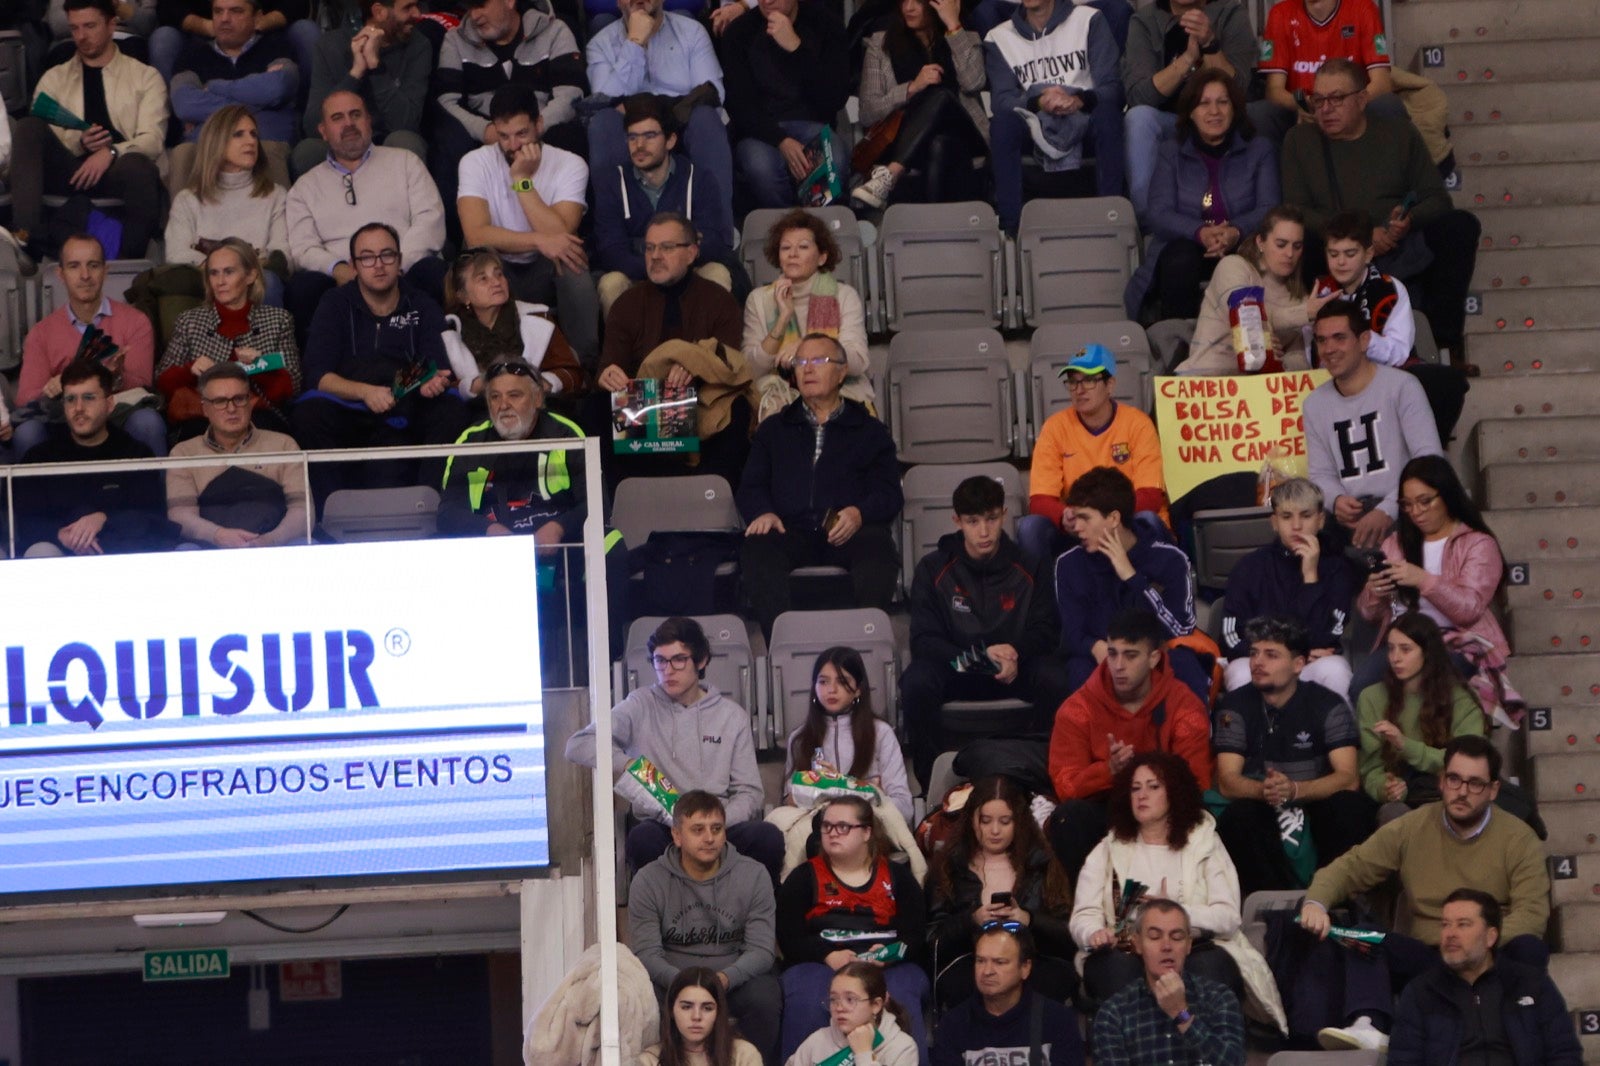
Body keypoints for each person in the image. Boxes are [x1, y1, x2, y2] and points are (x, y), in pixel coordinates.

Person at [1299, 737, 1552, 1048]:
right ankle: (1369, 1025)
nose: (1462, 791)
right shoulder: (1412, 826)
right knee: (1364, 938)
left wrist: (1479, 947)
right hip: (1431, 956)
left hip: (1491, 957)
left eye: (1475, 783)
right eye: (1455, 779)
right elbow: (1351, 867)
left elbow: (1532, 914)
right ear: (1441, 781)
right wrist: (1315, 902)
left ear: (1493, 790)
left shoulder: (1519, 839)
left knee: (1529, 949)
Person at [1282, 59, 1481, 365]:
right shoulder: (1300, 141)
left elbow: (1437, 198)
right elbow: (1295, 211)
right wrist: (1362, 235)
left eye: (1337, 98)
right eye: (1318, 99)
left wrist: (1407, 220)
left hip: (1399, 243)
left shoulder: (1399, 134)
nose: (1325, 108)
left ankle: (1441, 342)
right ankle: (1321, 347)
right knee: (1297, 238)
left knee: (1460, 226)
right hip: (1336, 250)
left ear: (1362, 99)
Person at [1071, 753, 1286, 1031]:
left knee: (1211, 969)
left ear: (1174, 791)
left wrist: (1175, 914)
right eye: (1135, 788)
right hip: (1126, 950)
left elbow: (1228, 917)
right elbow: (1083, 914)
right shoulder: (1109, 847)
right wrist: (1093, 933)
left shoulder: (1204, 842)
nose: (1142, 795)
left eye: (1153, 786)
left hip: (1195, 948)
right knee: (1116, 971)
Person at [438, 360, 624, 677]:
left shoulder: (567, 433)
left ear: (537, 399)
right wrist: (488, 530)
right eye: (495, 397)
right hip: (493, 554)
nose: (504, 405)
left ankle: (604, 671)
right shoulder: (471, 441)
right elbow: (447, 514)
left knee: (612, 547)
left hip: (561, 548)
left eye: (514, 395)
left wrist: (558, 527)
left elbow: (598, 503)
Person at [565, 617, 784, 880]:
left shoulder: (731, 716)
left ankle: (752, 916)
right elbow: (578, 744)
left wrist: (711, 826)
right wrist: (627, 764)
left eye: (678, 660)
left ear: (701, 661)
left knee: (767, 838)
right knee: (642, 839)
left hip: (716, 822)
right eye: (660, 661)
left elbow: (749, 792)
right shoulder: (640, 704)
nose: (668, 670)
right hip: (663, 823)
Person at [900, 474, 1072, 789]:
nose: (984, 531)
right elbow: (925, 641)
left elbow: (1046, 631)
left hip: (1013, 668)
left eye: (991, 519)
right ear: (957, 521)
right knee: (916, 681)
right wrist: (978, 658)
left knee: (1055, 677)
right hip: (959, 667)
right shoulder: (932, 568)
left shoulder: (1031, 565)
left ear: (1004, 514)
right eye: (973, 521)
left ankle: (1044, 778)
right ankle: (933, 785)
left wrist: (1015, 653)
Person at [736, 334, 902, 639]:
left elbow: (890, 494)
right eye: (801, 362)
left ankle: (865, 641)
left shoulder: (869, 431)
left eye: (818, 361)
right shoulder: (774, 429)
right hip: (790, 529)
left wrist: (859, 513)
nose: (807, 369)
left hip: (846, 530)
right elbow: (751, 485)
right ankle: (783, 644)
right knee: (757, 548)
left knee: (878, 549)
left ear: (841, 372)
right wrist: (763, 512)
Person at [290, 222, 467, 504]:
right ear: (354, 264)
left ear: (399, 261)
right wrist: (366, 392)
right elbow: (318, 374)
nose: (379, 265)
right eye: (367, 257)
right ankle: (332, 511)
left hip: (410, 402)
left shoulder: (421, 304)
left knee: (451, 409)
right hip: (351, 406)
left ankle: (432, 506)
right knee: (309, 414)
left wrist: (422, 385)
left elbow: (436, 364)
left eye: (387, 255)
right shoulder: (334, 303)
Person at [1046, 608, 1213, 885]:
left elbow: (1197, 784)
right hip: (1103, 809)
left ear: (1154, 658)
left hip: (1166, 810)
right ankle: (1084, 909)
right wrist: (1109, 771)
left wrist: (1148, 780)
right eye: (1113, 653)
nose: (1118, 665)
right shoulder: (1077, 708)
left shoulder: (1185, 707)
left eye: (1131, 655)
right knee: (1069, 817)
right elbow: (1065, 785)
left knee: (1201, 817)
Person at [1213, 615, 1376, 896]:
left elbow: (1348, 778)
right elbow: (1228, 780)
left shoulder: (1328, 704)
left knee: (1351, 808)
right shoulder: (1234, 706)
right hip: (1261, 800)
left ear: (1298, 664)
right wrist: (1265, 789)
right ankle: (1269, 903)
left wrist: (1296, 790)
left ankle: (1336, 900)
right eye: (1253, 653)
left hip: (1314, 797)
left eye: (1271, 655)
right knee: (1239, 815)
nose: (1257, 662)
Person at [595, 212, 753, 488]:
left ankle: (714, 498)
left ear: (691, 253)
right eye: (650, 248)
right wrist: (609, 373)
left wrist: (695, 365)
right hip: (642, 404)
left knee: (738, 407)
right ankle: (622, 502)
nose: (655, 256)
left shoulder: (718, 300)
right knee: (597, 407)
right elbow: (611, 362)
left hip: (701, 399)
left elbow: (729, 361)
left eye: (667, 247)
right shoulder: (628, 303)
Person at [1353, 454, 1512, 720]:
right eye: (1407, 505)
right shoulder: (1395, 543)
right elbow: (1369, 614)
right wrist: (1375, 591)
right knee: (1361, 686)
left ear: (1447, 496)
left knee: (1431, 686)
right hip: (1402, 642)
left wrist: (1423, 580)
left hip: (1458, 643)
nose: (1416, 512)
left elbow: (1469, 610)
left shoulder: (1477, 543)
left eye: (1425, 501)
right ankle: (1384, 758)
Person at [285, 89, 448, 346]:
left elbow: (430, 219)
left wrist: (395, 264)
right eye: (337, 117)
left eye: (355, 114)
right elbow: (302, 248)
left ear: (368, 120)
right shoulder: (305, 187)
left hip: (405, 267)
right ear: (323, 131)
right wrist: (338, 269)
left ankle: (438, 367)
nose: (348, 123)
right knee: (304, 287)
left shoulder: (405, 162)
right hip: (342, 277)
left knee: (434, 272)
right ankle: (321, 375)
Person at [629, 793, 782, 1065]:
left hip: (732, 976)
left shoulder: (754, 875)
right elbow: (647, 952)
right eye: (697, 830)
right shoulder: (649, 879)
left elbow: (761, 950)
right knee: (638, 995)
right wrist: (683, 985)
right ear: (677, 836)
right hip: (672, 978)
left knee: (766, 997)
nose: (709, 838)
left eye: (716, 829)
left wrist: (723, 979)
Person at [10, 0, 167, 260]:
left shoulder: (145, 77)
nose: (81, 36)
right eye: (75, 28)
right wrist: (79, 142)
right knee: (28, 127)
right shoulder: (54, 78)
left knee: (140, 167)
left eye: (90, 26)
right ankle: (28, 238)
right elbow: (44, 132)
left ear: (111, 24)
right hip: (69, 168)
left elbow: (153, 139)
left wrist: (112, 152)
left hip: (118, 172)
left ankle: (127, 266)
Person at [776, 797, 929, 1062]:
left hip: (888, 963)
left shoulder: (898, 876)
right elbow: (789, 936)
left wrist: (890, 953)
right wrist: (827, 955)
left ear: (867, 832)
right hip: (821, 962)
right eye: (827, 826)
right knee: (809, 998)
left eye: (844, 826)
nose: (833, 833)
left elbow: (916, 934)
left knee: (901, 994)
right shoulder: (803, 877)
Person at [457, 83, 600, 365]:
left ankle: (585, 365)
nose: (512, 146)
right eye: (504, 136)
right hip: (498, 263)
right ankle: (485, 364)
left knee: (571, 257)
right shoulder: (475, 162)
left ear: (539, 124)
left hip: (546, 265)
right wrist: (538, 240)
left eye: (522, 134)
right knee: (477, 259)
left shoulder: (570, 164)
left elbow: (562, 234)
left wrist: (522, 181)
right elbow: (476, 235)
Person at [1127, 68, 1279, 322]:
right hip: (1187, 244)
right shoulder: (1170, 152)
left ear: (1235, 108)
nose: (1214, 112)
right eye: (1204, 103)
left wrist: (1235, 231)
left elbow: (1269, 207)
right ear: (1190, 112)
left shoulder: (1259, 149)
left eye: (1222, 102)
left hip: (1244, 244)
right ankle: (1177, 345)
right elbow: (1159, 213)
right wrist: (1201, 232)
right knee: (1179, 260)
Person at [1306, 209, 1470, 440]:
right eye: (1333, 254)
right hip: (1334, 385)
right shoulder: (1318, 295)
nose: (1341, 262)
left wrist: (1361, 340)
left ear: (1368, 253)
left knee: (1446, 383)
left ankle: (1424, 458)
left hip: (1383, 380)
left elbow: (1399, 352)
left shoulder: (1389, 289)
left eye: (1350, 253)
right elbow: (1309, 356)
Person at [925, 775, 1077, 1009]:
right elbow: (931, 940)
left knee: (1045, 982)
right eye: (985, 821)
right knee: (967, 984)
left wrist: (1028, 920)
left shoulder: (1042, 863)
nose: (995, 831)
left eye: (1005, 822)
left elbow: (1069, 936)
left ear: (1019, 822)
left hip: (1033, 962)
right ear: (971, 820)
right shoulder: (949, 866)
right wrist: (972, 921)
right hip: (970, 962)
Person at [1302, 298, 1443, 549]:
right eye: (1321, 340)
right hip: (1350, 518)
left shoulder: (1402, 387)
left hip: (1406, 510)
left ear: (1364, 340)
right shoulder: (1314, 404)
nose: (1329, 349)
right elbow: (1320, 473)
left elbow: (1428, 460)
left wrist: (1388, 510)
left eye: (1339, 338)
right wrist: (1336, 501)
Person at [1053, 468, 1205, 699]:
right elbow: (1072, 633)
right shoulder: (1069, 564)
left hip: (1153, 656)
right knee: (1078, 668)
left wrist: (1133, 578)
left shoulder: (1170, 560)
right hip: (1099, 659)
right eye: (1075, 518)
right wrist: (1096, 647)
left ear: (1114, 518)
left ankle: (1189, 735)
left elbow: (1180, 630)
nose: (1077, 528)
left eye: (1085, 518)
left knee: (1184, 663)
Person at [12, 233, 165, 460]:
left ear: (105, 270)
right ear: (60, 274)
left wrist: (117, 376)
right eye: (74, 267)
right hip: (64, 417)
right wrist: (53, 388)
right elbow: (26, 398)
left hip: (115, 413)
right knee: (27, 432)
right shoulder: (41, 332)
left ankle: (156, 495)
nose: (85, 275)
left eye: (93, 265)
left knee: (147, 422)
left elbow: (142, 386)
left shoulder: (135, 321)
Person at [1386, 889, 1583, 1066]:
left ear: (1490, 936)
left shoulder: (1530, 984)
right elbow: (1403, 1060)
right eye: (1445, 925)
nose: (1450, 934)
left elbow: (1564, 1053)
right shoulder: (1421, 992)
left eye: (1463, 924)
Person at [1018, 345, 1168, 566]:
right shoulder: (1054, 427)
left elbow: (1151, 496)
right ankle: (1047, 599)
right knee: (1030, 527)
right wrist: (1066, 516)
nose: (1079, 389)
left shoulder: (1138, 424)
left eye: (1089, 380)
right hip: (1077, 528)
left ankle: (1151, 595)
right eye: (1073, 382)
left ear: (1110, 385)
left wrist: (1103, 518)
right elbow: (1039, 501)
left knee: (1148, 520)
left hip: (1124, 522)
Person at [983, 0, 1123, 233]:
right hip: (1035, 121)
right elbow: (1002, 101)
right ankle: (1013, 230)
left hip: (1084, 118)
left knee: (1108, 115)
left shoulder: (1089, 20)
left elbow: (1113, 88)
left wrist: (1079, 100)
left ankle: (1113, 220)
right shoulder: (999, 37)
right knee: (1002, 125)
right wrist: (1039, 102)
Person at [591, 94, 735, 315]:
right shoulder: (612, 182)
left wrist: (674, 265)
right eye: (632, 137)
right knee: (611, 283)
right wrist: (662, 262)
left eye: (649, 136)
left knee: (717, 273)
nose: (639, 145)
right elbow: (611, 251)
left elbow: (714, 239)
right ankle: (630, 351)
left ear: (670, 140)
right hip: (637, 275)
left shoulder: (698, 178)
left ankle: (704, 350)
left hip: (688, 273)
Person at [433, 0, 587, 205]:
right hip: (484, 137)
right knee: (448, 140)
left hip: (542, 131)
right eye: (470, 8)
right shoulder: (455, 40)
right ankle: (462, 231)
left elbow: (570, 95)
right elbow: (446, 102)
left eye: (481, 5)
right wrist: (485, 130)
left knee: (568, 136)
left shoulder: (554, 30)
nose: (474, 16)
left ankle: (568, 222)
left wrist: (531, 129)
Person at [584, 0, 730, 213]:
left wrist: (645, 109)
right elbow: (605, 102)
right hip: (629, 132)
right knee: (603, 123)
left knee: (706, 118)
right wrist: (634, 43)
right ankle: (616, 233)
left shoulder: (692, 32)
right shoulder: (600, 44)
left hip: (683, 124)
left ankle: (718, 231)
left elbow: (711, 93)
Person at [16, 360, 173, 558]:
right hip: (61, 555)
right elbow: (26, 522)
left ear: (109, 404)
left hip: (122, 551)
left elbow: (151, 517)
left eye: (88, 398)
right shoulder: (40, 457)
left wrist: (103, 518)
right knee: (40, 551)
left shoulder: (135, 453)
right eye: (70, 399)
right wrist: (59, 535)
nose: (78, 408)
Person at [1218, 477, 1355, 694]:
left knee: (1335, 669)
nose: (1297, 526)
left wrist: (1310, 576)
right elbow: (1230, 639)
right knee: (1241, 672)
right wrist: (1281, 656)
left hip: (1310, 663)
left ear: (1320, 520)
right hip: (1261, 662)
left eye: (1306, 515)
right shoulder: (1249, 567)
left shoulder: (1336, 568)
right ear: (1274, 522)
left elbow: (1328, 636)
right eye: (1287, 516)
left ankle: (1337, 730)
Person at [1121, 0, 1256, 218]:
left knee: (1256, 115)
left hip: (1218, 118)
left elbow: (1240, 91)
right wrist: (1188, 59)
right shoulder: (1144, 21)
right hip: (1169, 121)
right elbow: (1139, 96)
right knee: (1138, 118)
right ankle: (1147, 221)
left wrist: (1210, 44)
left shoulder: (1231, 13)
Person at [155, 238, 300, 438]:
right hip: (202, 417)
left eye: (229, 272)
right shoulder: (190, 321)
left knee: (265, 429)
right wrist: (190, 369)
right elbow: (161, 381)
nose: (220, 281)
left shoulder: (278, 320)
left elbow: (293, 386)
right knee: (196, 432)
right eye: (214, 273)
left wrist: (261, 366)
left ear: (250, 275)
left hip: (259, 416)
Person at [852, 0, 989, 209]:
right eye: (904, 1)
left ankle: (892, 173)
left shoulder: (964, 37)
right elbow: (868, 112)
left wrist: (953, 24)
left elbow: (974, 82)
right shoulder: (881, 45)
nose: (908, 7)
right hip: (904, 139)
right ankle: (932, 230)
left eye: (918, 1)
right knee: (939, 144)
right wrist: (911, 88)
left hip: (964, 135)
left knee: (942, 96)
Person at [742, 210, 872, 422]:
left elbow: (857, 361)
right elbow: (750, 371)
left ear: (822, 257)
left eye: (803, 247)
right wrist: (783, 319)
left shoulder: (844, 296)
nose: (792, 253)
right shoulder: (759, 300)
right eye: (785, 248)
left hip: (839, 391)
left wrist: (808, 349)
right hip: (781, 393)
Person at [719, 0, 850, 211]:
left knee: (835, 160)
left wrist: (796, 48)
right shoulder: (740, 32)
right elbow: (739, 105)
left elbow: (834, 98)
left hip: (814, 124)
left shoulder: (826, 24)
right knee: (761, 168)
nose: (767, 1)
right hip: (759, 131)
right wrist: (780, 140)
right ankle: (786, 226)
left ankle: (815, 227)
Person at [1356, 612, 1486, 821]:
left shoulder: (1459, 698)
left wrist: (1404, 745)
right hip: (1405, 799)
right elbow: (1370, 769)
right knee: (1392, 814)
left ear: (1427, 652)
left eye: (1405, 649)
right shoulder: (1371, 697)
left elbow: (1469, 762)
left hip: (1453, 793)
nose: (1395, 658)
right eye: (1390, 649)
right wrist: (1386, 787)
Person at [165, 361, 307, 548]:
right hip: (210, 548)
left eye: (239, 399)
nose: (231, 409)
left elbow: (302, 511)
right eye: (220, 401)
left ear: (250, 402)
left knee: (307, 546)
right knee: (185, 551)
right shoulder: (183, 453)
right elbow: (180, 515)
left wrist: (270, 541)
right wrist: (218, 536)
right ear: (205, 408)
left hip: (275, 546)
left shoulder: (284, 445)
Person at [1090, 900, 1246, 1066]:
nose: (1166, 946)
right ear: (1137, 943)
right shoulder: (1114, 1013)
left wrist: (1182, 1015)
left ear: (1188, 944)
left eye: (1177, 937)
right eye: (1155, 937)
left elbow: (1234, 1062)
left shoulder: (1218, 998)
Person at [164, 105, 292, 307]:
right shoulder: (188, 199)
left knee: (270, 282)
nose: (251, 141)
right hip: (206, 281)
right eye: (238, 134)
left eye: (253, 134)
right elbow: (176, 252)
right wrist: (222, 272)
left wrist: (244, 275)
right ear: (216, 143)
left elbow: (281, 252)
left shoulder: (276, 195)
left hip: (256, 280)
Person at [168, 0, 299, 193]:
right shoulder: (192, 54)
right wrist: (260, 103)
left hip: (265, 138)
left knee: (267, 149)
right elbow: (185, 104)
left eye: (236, 11)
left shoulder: (277, 45)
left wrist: (214, 86)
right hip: (209, 142)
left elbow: (277, 88)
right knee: (182, 153)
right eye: (218, 11)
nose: (224, 19)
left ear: (257, 17)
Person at [1178, 205, 1325, 375]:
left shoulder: (1299, 299)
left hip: (1255, 390)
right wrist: (1302, 315)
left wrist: (1280, 362)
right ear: (1260, 242)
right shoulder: (1233, 266)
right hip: (1204, 380)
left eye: (1297, 246)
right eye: (1281, 244)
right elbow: (1246, 316)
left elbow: (1298, 357)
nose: (1290, 253)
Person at [294, 0, 430, 177]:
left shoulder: (419, 46)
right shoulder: (330, 46)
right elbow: (313, 126)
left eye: (417, 6)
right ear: (379, 12)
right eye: (407, 8)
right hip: (342, 140)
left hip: (387, 138)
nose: (417, 14)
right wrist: (355, 73)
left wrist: (376, 68)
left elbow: (407, 123)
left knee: (405, 142)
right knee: (307, 151)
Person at [783, 647, 914, 824]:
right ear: (814, 688)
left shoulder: (881, 733)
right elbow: (788, 802)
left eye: (842, 681)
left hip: (867, 828)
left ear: (858, 689)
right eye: (823, 682)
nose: (832, 689)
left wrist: (840, 787)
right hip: (816, 828)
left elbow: (904, 807)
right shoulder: (799, 739)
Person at [441, 246, 586, 404]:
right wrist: (473, 386)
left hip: (537, 408)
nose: (496, 282)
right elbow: (444, 388)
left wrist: (543, 383)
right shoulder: (449, 333)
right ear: (463, 296)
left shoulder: (538, 318)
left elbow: (572, 375)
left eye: (499, 274)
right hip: (478, 414)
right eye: (483, 278)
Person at [930, 924, 1084, 1066]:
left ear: (1025, 968)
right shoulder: (953, 1025)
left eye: (999, 962)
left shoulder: (1058, 1021)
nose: (987, 971)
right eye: (980, 961)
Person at [1255, 0, 1402, 142]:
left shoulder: (1363, 8)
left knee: (1388, 104)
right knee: (1260, 114)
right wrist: (1302, 104)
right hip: (1305, 105)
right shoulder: (1280, 13)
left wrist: (1344, 106)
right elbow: (1274, 91)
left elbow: (1382, 84)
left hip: (1350, 105)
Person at [148, 0, 315, 86]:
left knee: (306, 31)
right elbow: (167, 8)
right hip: (200, 34)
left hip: (267, 31)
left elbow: (299, 4)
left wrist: (258, 23)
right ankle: (176, 127)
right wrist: (206, 25)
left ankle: (309, 116)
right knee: (163, 39)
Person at [785, 962, 921, 1066]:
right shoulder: (817, 1041)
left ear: (876, 1005)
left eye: (850, 999)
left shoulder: (902, 1047)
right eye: (833, 999)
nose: (839, 1008)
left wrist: (864, 1055)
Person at [642, 966, 766, 1066]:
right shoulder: (649, 1061)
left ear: (718, 1013)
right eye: (686, 1007)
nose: (696, 1016)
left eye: (707, 1008)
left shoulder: (744, 1055)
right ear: (671, 1010)